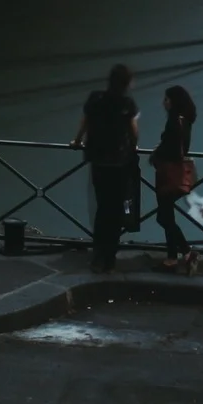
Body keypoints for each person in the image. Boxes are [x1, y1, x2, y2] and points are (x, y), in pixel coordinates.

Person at [72, 64, 138, 273]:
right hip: (119, 162)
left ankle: (97, 255)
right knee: (117, 210)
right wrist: (133, 148)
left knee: (102, 207)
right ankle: (110, 258)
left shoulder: (95, 99)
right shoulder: (127, 104)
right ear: (127, 83)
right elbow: (133, 133)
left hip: (98, 161)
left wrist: (76, 141)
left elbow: (86, 122)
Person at [152, 84, 200, 273]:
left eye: (166, 99)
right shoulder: (185, 120)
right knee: (167, 214)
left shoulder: (173, 121)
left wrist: (156, 154)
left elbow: (171, 149)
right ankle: (172, 257)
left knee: (163, 217)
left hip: (168, 174)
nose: (164, 103)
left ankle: (187, 251)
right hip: (175, 172)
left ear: (173, 101)